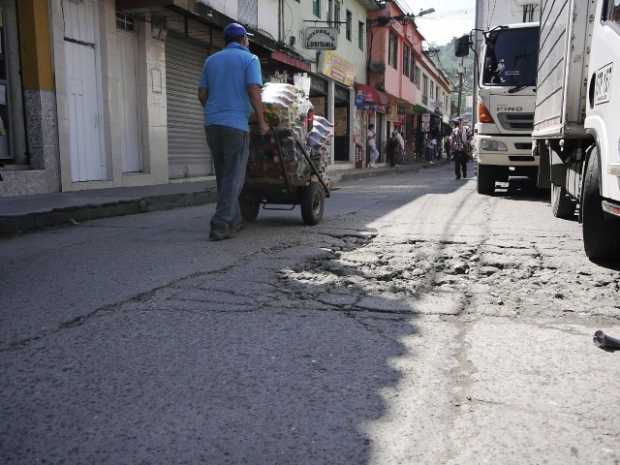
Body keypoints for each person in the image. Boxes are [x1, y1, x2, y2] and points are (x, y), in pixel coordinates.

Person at [198, 23, 269, 241]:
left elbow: (202, 94)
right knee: (235, 178)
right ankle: (220, 225)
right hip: (236, 125)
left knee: (223, 176)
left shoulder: (211, 60)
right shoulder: (250, 59)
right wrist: (262, 120)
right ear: (243, 40)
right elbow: (253, 90)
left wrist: (214, 111)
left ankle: (235, 220)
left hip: (212, 125)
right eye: (247, 38)